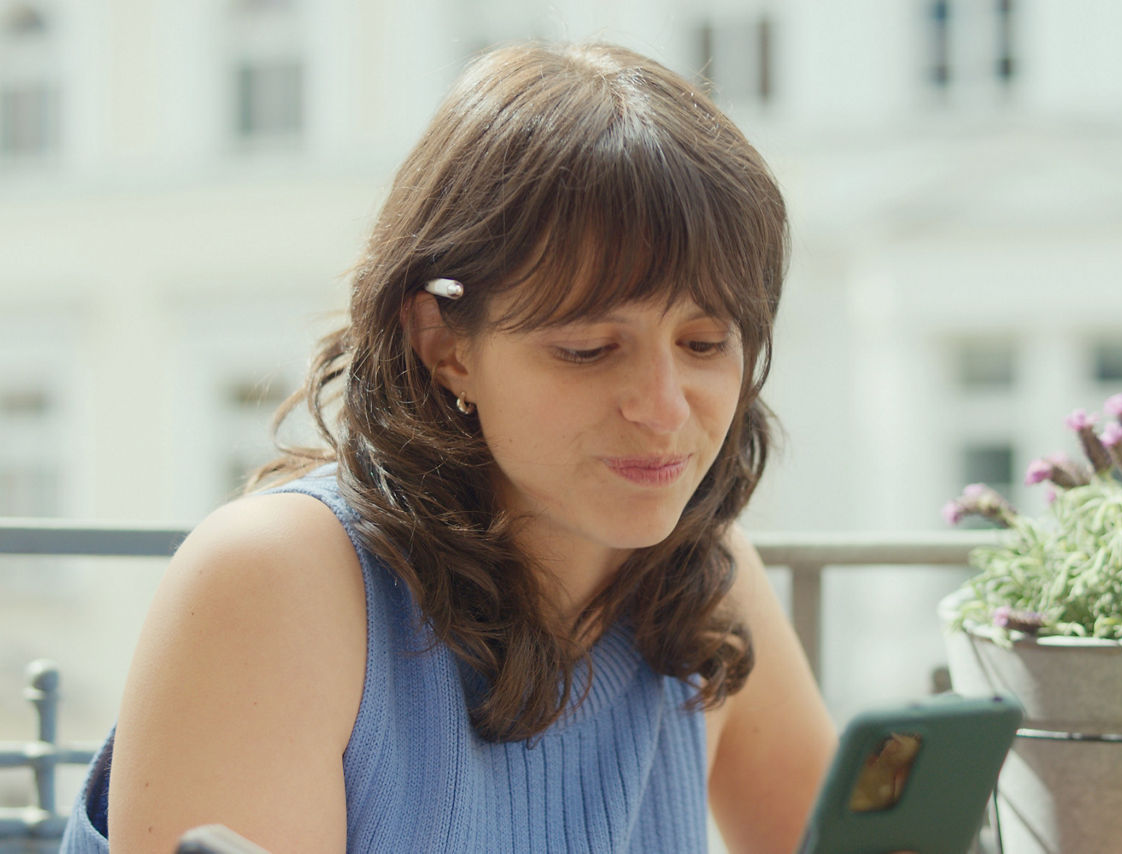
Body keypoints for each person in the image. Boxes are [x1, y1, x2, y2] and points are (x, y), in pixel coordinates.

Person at [61, 41, 835, 853]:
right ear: (444, 343)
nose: (665, 409)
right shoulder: (276, 581)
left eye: (707, 343)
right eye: (587, 349)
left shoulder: (699, 579)